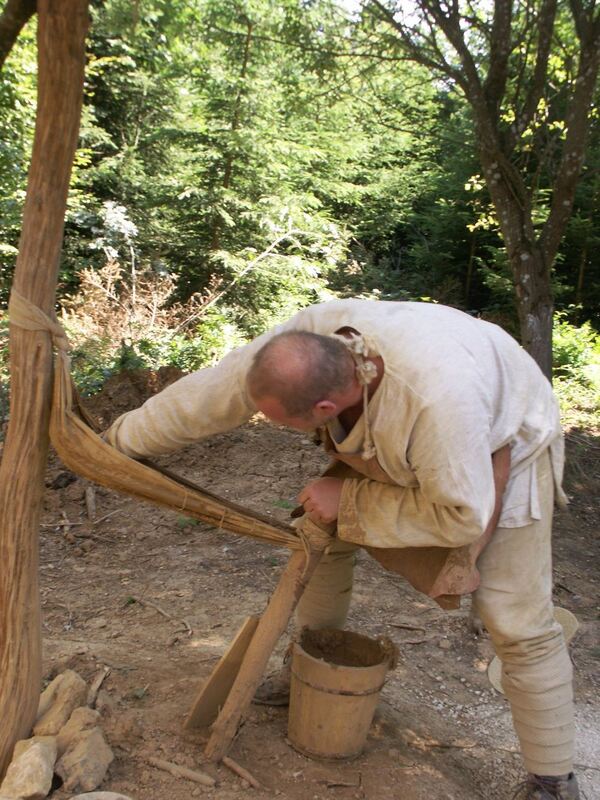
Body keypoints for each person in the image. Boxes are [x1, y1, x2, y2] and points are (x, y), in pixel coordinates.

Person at [105, 299, 578, 800]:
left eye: (281, 421)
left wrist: (350, 497)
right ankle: (311, 672)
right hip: (413, 422)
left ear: (325, 410)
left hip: (501, 442)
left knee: (516, 620)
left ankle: (553, 779)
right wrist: (117, 442)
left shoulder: (438, 406)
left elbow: (464, 514)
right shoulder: (310, 337)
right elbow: (210, 396)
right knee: (321, 536)